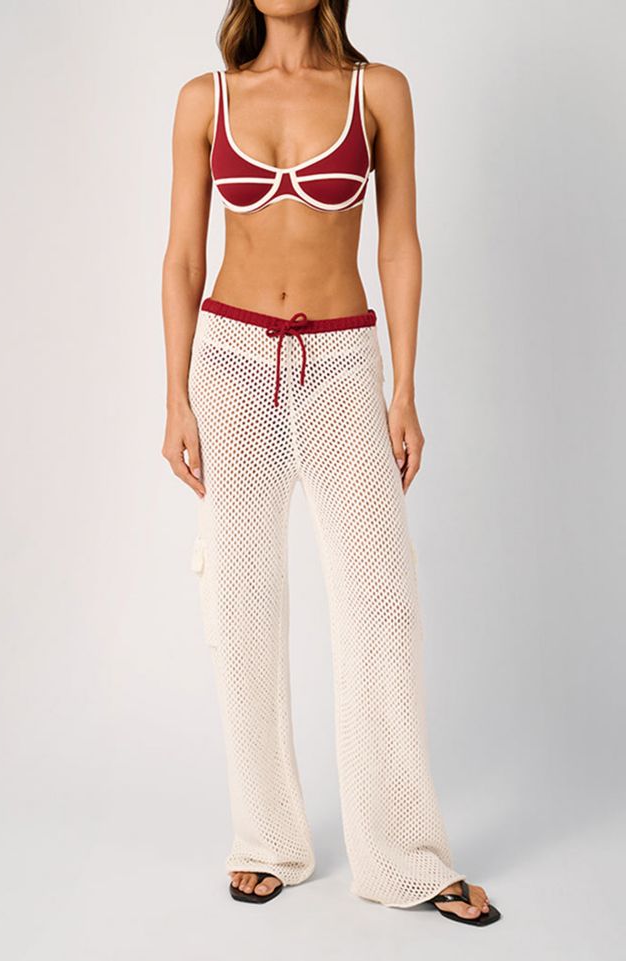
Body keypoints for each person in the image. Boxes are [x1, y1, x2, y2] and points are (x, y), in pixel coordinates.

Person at [161, 0, 501, 927]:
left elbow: (399, 242)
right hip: (231, 362)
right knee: (240, 602)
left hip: (345, 363)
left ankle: (403, 857)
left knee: (381, 600)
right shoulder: (204, 99)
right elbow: (184, 255)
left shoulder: (376, 92)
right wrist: (175, 394)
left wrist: (405, 386)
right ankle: (266, 839)